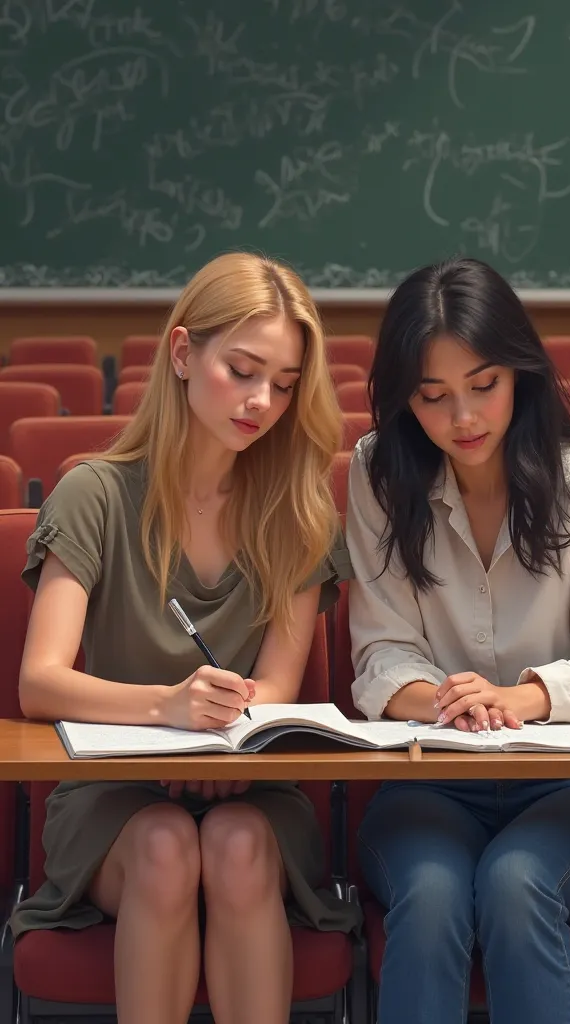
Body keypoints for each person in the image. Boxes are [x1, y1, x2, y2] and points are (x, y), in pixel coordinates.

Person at [12, 252, 359, 1024]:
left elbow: (276, 689)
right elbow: (41, 682)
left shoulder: (299, 515)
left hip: (254, 791)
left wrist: (224, 736)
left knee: (236, 846)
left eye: (286, 381)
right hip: (112, 796)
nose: (263, 400)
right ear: (181, 353)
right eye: (242, 370)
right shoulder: (94, 493)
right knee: (166, 847)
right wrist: (169, 711)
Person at [345, 257, 570, 1024]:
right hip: (429, 785)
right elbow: (380, 656)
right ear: (402, 399)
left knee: (519, 883)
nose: (463, 419)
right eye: (432, 396)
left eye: (483, 385)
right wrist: (456, 701)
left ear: (520, 372)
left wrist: (516, 698)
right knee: (433, 892)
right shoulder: (378, 473)